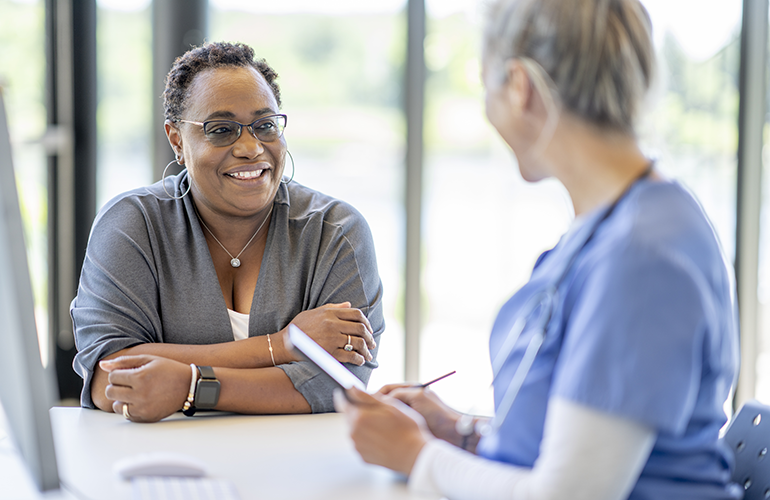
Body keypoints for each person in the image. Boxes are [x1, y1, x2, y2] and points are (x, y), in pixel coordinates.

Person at [337, 0, 741, 498]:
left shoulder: (641, 257)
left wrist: (418, 456)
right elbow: (581, 443)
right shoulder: (617, 224)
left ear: (519, 87)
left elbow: (568, 494)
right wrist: (461, 432)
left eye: (485, 84)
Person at [71, 41, 383, 423]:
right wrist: (282, 346)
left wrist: (187, 387)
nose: (251, 148)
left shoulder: (336, 232)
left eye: (265, 125)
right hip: (162, 462)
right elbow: (110, 377)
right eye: (221, 130)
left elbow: (339, 382)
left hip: (299, 466)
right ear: (177, 141)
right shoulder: (132, 225)